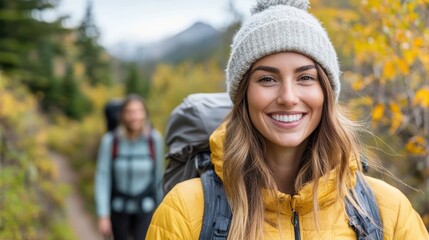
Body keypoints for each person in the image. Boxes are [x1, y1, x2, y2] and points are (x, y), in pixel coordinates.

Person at [146, 0, 429, 239]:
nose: (288, 97)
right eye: (267, 79)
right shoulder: (185, 211)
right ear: (244, 94)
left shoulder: (387, 213)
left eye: (305, 77)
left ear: (326, 92)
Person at [95, 94, 164, 240]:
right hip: (118, 208)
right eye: (130, 112)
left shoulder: (154, 140)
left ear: (145, 114)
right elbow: (103, 176)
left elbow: (159, 177)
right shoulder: (110, 141)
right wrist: (103, 214)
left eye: (139, 111)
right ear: (122, 115)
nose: (135, 116)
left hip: (145, 208)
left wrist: (161, 212)